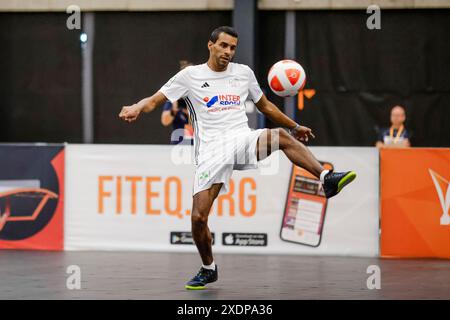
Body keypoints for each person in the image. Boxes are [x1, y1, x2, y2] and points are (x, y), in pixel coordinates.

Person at [119, 26, 356, 290]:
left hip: (242, 139)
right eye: (223, 46)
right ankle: (208, 268)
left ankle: (326, 178)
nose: (228, 52)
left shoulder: (243, 74)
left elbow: (265, 106)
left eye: (232, 48)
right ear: (211, 45)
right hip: (211, 152)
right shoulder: (190, 76)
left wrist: (294, 125)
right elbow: (154, 100)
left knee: (281, 136)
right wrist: (137, 107)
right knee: (198, 218)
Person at [161, 60, 194, 145]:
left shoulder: (199, 97)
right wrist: (174, 110)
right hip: (178, 147)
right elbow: (165, 121)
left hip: (197, 146)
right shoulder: (174, 98)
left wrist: (189, 109)